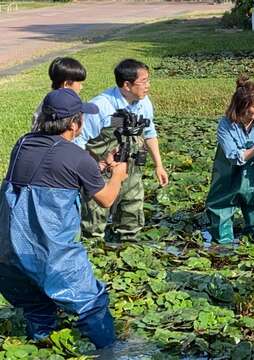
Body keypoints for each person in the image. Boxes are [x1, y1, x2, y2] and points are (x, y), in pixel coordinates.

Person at [0, 88, 128, 348]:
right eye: (81, 117)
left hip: (8, 257)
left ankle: (43, 346)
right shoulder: (77, 156)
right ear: (73, 123)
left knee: (38, 307)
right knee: (92, 306)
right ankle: (110, 352)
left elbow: (51, 173)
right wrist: (117, 175)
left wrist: (99, 166)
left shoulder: (23, 143)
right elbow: (106, 199)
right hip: (50, 255)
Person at [75, 58, 168, 242]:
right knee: (94, 222)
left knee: (131, 217)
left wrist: (159, 165)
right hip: (101, 173)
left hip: (131, 170)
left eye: (148, 80)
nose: (148, 86)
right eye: (144, 81)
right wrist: (91, 168)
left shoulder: (144, 102)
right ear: (127, 85)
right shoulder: (100, 107)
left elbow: (149, 133)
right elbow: (79, 140)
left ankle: (126, 250)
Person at [205, 76, 254, 244]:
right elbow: (234, 156)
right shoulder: (225, 124)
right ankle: (223, 246)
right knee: (221, 210)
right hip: (228, 174)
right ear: (242, 106)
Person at [32, 57, 87, 131]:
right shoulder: (62, 107)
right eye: (79, 83)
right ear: (66, 84)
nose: (81, 87)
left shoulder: (48, 101)